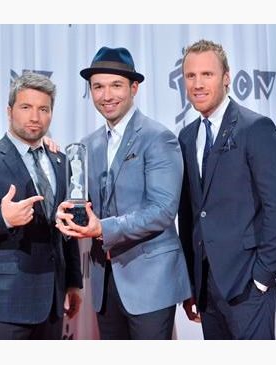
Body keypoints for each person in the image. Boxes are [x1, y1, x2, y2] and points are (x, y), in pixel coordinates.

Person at [55, 46, 191, 340]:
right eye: (98, 87)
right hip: (104, 282)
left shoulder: (158, 138)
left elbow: (163, 210)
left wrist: (102, 227)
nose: (107, 96)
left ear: (134, 87)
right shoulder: (87, 145)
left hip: (151, 281)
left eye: (116, 85)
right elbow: (83, 204)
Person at [0, 72, 83, 340]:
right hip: (0, 303)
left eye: (43, 109)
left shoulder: (62, 162)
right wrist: (3, 218)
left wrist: (73, 282)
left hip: (51, 302)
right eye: (26, 107)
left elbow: (65, 227)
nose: (35, 116)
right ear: (9, 111)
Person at [177, 39, 276, 339]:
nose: (198, 84)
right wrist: (193, 283)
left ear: (226, 77)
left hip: (248, 285)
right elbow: (191, 215)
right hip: (207, 287)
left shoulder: (255, 128)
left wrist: (262, 278)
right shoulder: (187, 136)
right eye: (191, 76)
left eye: (207, 74)